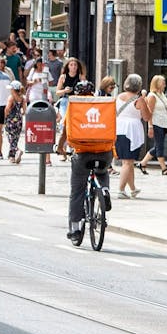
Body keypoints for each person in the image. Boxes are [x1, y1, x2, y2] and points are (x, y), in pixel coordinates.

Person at [65, 80, 111, 242]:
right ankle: (104, 189)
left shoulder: (74, 107)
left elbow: (66, 130)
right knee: (102, 171)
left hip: (83, 152)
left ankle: (76, 229)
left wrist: (60, 148)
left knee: (77, 190)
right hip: (104, 151)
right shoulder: (104, 105)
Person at [114, 74, 148, 199]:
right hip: (131, 131)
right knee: (128, 162)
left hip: (119, 129)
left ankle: (133, 188)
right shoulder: (139, 100)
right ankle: (121, 189)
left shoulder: (119, 97)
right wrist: (144, 100)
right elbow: (146, 117)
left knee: (127, 161)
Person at [138, 74, 167, 176]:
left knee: (157, 146)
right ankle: (164, 168)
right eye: (163, 83)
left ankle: (142, 163)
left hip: (163, 124)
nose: (165, 85)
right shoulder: (152, 96)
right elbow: (150, 112)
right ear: (157, 84)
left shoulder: (162, 95)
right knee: (160, 146)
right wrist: (150, 126)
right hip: (156, 123)